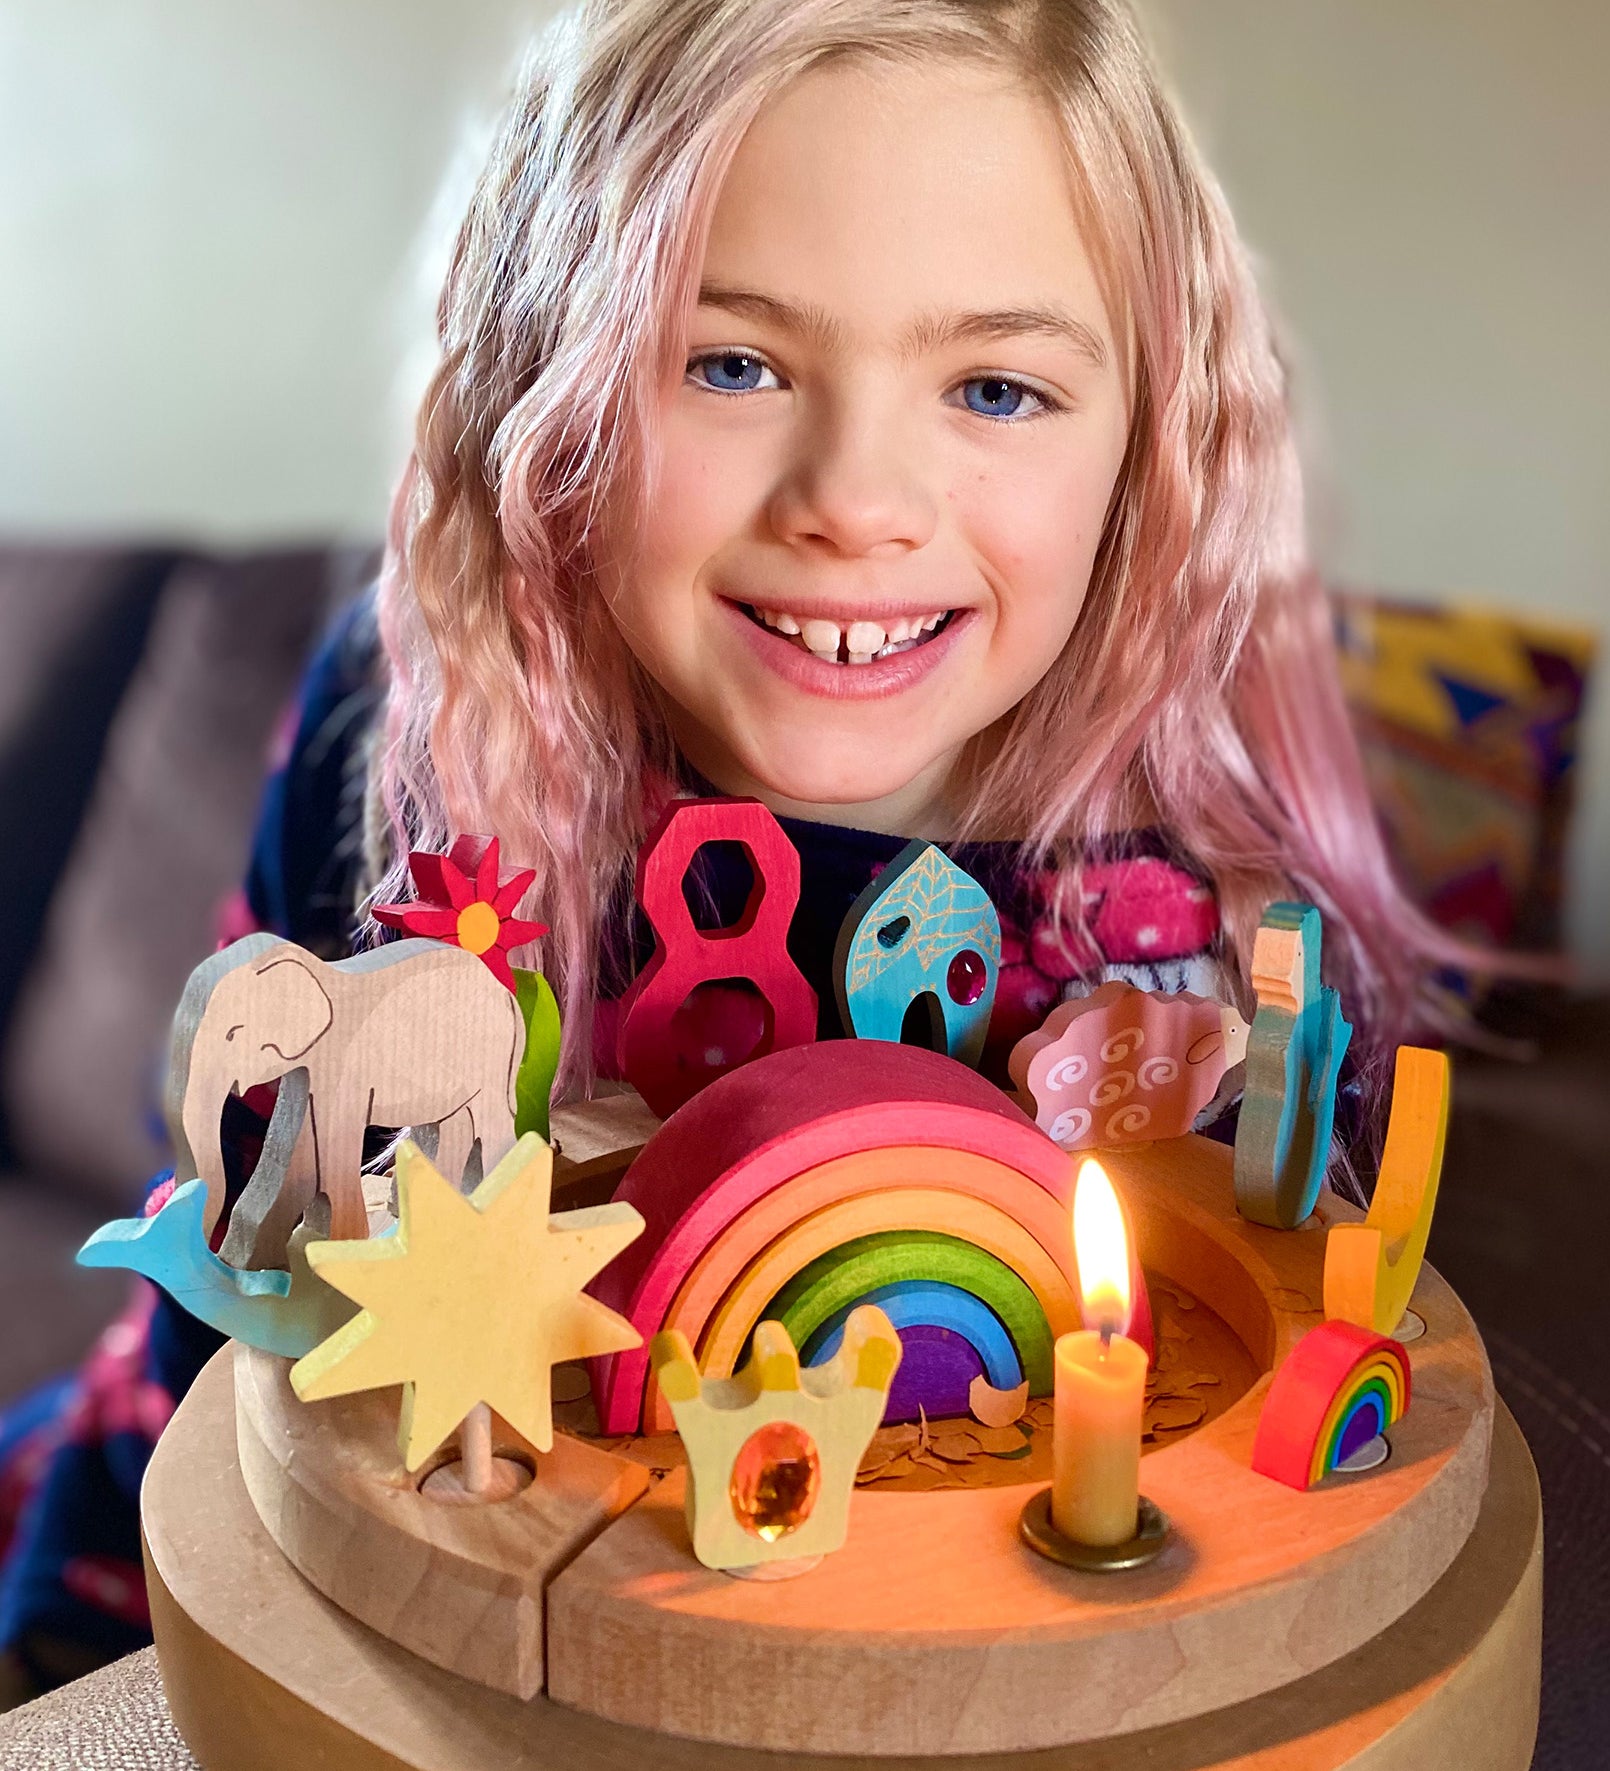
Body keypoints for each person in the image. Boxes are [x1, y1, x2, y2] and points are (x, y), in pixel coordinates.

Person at [0, 0, 1472, 1693]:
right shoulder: (405, 714)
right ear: (544, 383)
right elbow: (236, 1235)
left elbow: (1317, 1286)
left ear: (1147, 439)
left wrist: (1204, 1096)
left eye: (995, 387)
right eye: (731, 363)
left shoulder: (1188, 887)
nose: (855, 496)